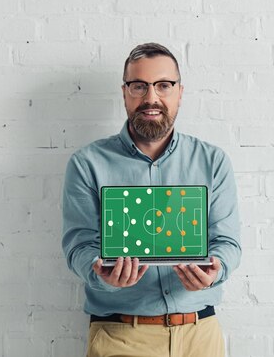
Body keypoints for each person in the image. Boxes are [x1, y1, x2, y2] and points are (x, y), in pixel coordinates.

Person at [62, 42, 242, 357]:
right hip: (120, 335)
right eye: (139, 86)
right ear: (124, 93)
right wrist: (101, 274)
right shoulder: (87, 163)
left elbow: (227, 241)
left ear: (180, 92)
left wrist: (217, 268)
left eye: (163, 85)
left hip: (201, 337)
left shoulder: (212, 161)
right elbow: (79, 245)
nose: (151, 98)